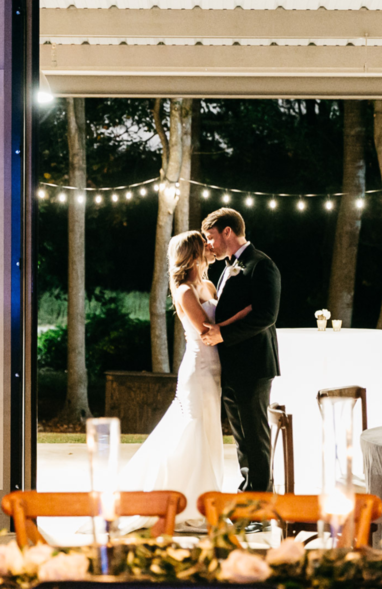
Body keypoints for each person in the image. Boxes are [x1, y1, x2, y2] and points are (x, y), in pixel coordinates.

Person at [115, 230, 251, 533]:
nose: (209, 250)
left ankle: (202, 498)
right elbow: (206, 330)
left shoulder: (207, 284)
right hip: (198, 370)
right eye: (203, 247)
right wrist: (243, 316)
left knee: (208, 433)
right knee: (193, 432)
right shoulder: (184, 291)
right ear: (192, 255)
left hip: (215, 371)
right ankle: (187, 504)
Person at [200, 208, 281, 498]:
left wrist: (222, 333)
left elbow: (266, 315)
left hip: (255, 365)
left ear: (227, 232)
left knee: (256, 437)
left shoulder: (261, 265)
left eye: (211, 237)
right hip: (232, 365)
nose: (209, 244)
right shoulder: (227, 267)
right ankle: (247, 495)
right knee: (241, 439)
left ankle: (260, 505)